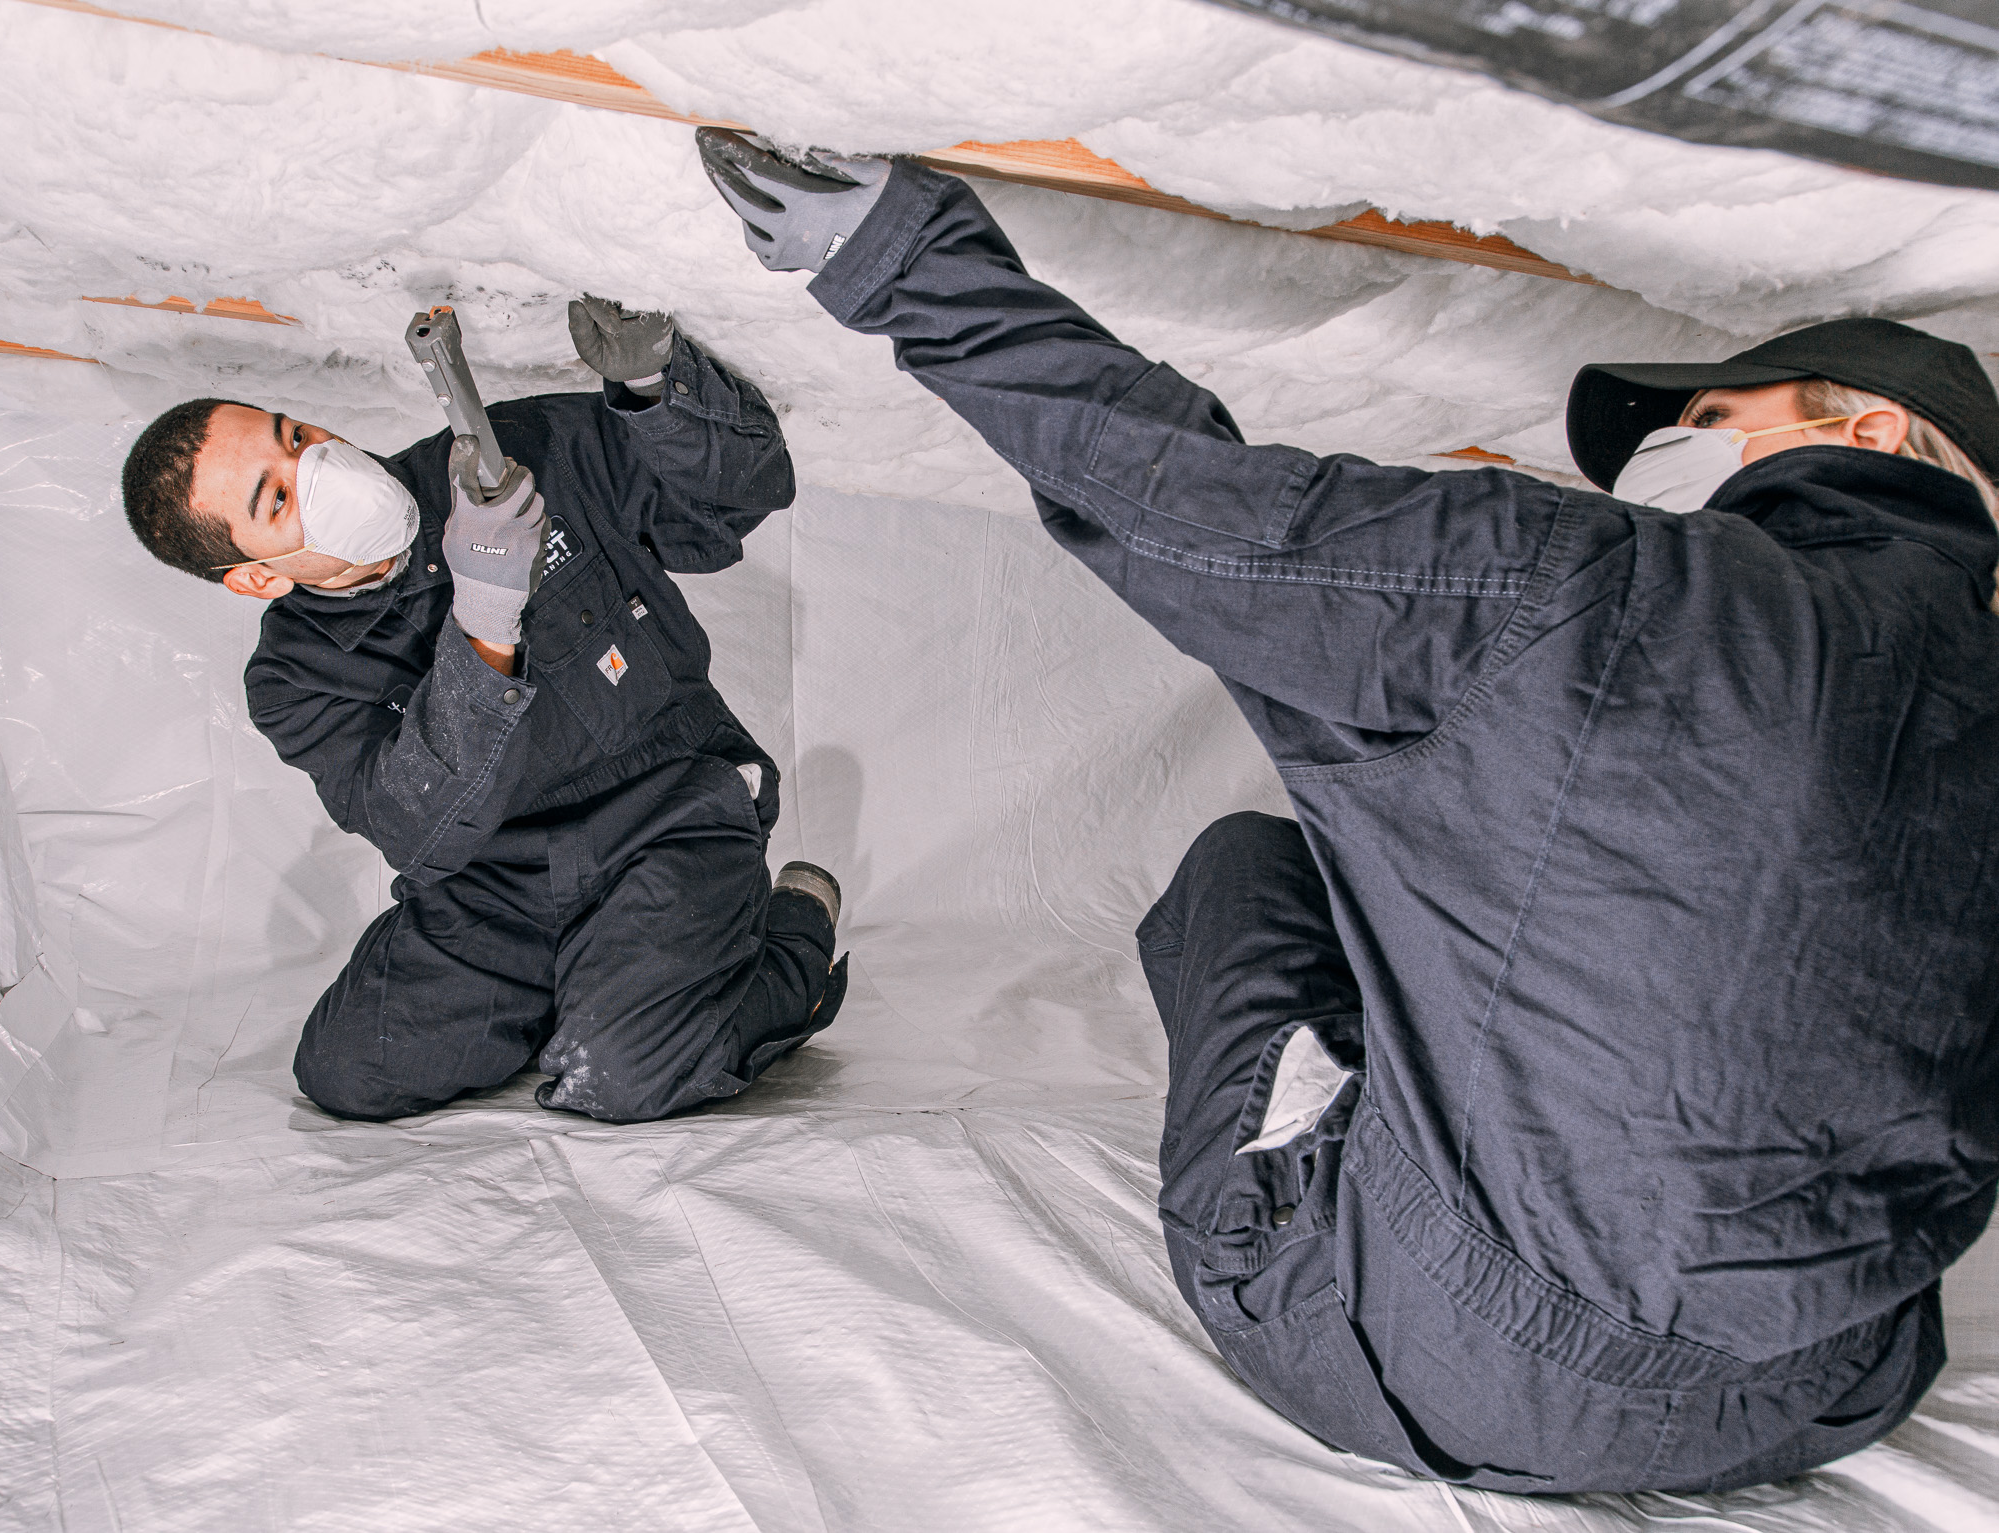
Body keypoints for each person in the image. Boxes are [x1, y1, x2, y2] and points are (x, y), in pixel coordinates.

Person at [697, 130, 1999, 1493]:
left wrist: (910, 263)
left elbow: (1193, 505)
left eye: (1705, 423)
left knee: (1251, 873)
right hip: (1829, 1388)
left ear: (1871, 428)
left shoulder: (1599, 581)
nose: (1666, 451)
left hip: (1439, 1354)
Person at [120, 296, 849, 1124]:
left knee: (621, 1073)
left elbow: (735, 506)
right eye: (278, 498)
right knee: (347, 1070)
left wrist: (655, 386)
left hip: (669, 820)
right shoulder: (296, 678)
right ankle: (605, 983)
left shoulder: (514, 454)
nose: (321, 465)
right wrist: (482, 622)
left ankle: (792, 927)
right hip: (493, 889)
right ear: (256, 575)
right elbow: (417, 829)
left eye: (294, 436)